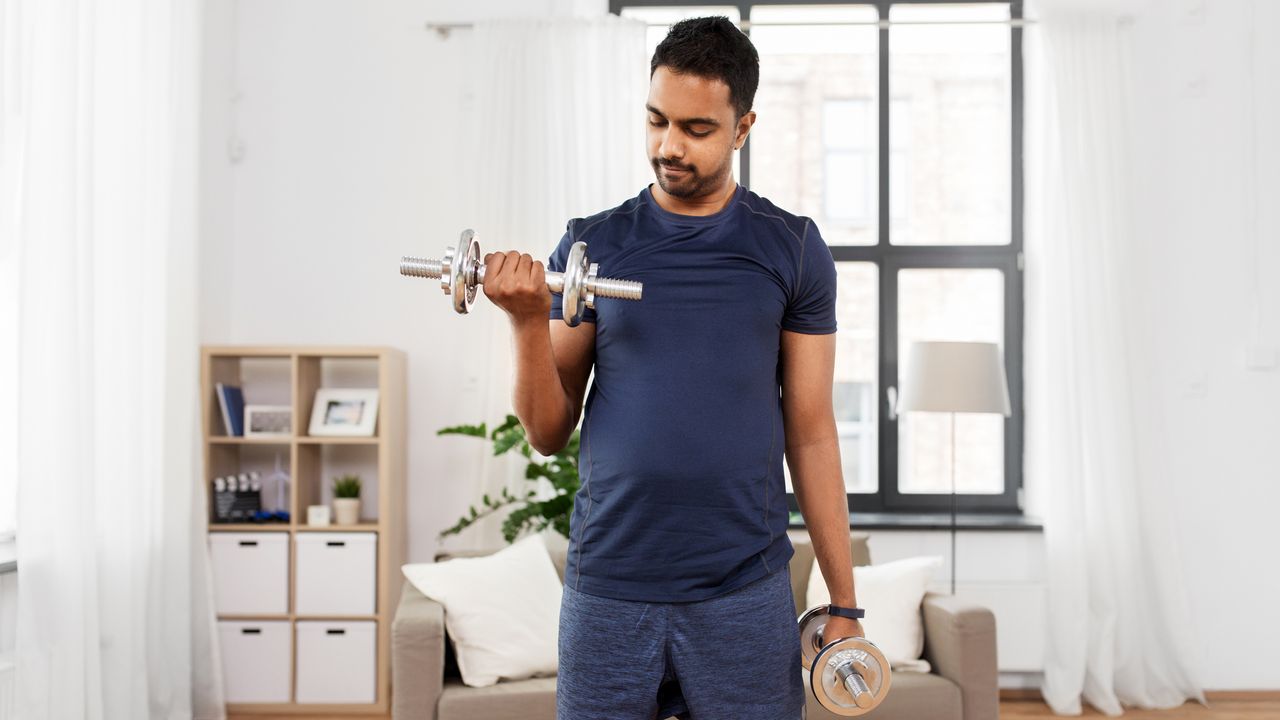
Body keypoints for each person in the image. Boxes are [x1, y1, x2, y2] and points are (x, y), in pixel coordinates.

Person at [481, 16, 862, 720]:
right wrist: (527, 321)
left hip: (742, 589)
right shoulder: (592, 245)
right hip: (609, 586)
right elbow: (545, 431)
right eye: (655, 120)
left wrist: (843, 601)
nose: (667, 146)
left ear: (743, 127)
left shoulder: (794, 249)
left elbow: (810, 433)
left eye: (696, 128)